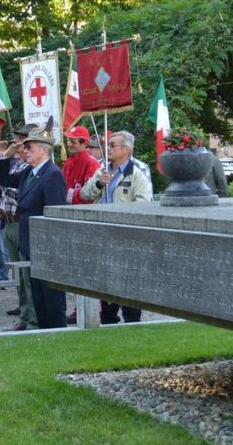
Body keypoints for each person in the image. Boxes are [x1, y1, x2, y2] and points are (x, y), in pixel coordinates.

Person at [0, 122, 68, 329]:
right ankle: (44, 331)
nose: (25, 151)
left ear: (43, 150)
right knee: (37, 294)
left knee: (51, 296)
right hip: (30, 243)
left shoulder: (52, 174)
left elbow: (55, 214)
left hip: (45, 246)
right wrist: (5, 156)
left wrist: (50, 246)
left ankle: (57, 331)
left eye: (29, 147)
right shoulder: (29, 172)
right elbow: (4, 178)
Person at [81, 131, 153, 324]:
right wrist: (98, 183)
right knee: (106, 283)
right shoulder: (102, 170)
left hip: (126, 238)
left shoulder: (137, 173)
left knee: (129, 283)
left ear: (126, 150)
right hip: (102, 236)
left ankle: (132, 321)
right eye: (108, 145)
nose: (108, 149)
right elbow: (85, 194)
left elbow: (144, 205)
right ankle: (108, 318)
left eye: (113, 145)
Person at [0, 124, 38, 331]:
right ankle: (24, 311)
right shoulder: (17, 164)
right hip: (9, 222)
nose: (18, 143)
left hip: (22, 223)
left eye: (22, 139)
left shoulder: (30, 166)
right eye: (17, 138)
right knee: (18, 274)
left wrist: (3, 163)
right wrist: (2, 157)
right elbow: (4, 180)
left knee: (27, 275)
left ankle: (31, 317)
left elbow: (14, 188)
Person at [63, 126, 101, 205]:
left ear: (85, 144)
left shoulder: (91, 163)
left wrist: (65, 194)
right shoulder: (68, 162)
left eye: (73, 142)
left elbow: (88, 195)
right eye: (69, 141)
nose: (69, 144)